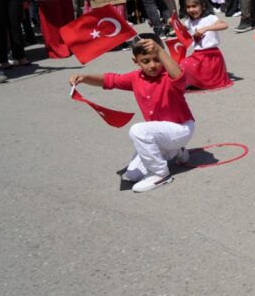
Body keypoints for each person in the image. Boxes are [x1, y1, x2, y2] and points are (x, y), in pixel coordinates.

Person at [68, 36, 194, 193]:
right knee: (132, 175)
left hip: (181, 129)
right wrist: (85, 78)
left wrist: (160, 51)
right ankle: (176, 150)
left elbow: (179, 76)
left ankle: (161, 174)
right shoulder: (136, 77)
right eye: (146, 61)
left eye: (157, 59)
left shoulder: (169, 75)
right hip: (159, 134)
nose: (153, 65)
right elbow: (110, 80)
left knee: (138, 130)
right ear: (136, 61)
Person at [179, 0, 232, 91]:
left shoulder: (210, 18)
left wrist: (206, 28)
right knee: (183, 64)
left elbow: (225, 25)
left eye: (194, 6)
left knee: (194, 68)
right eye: (188, 7)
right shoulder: (189, 21)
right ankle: (193, 81)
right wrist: (172, 22)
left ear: (202, 6)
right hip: (197, 55)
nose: (191, 10)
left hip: (211, 55)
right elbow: (180, 28)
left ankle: (201, 82)